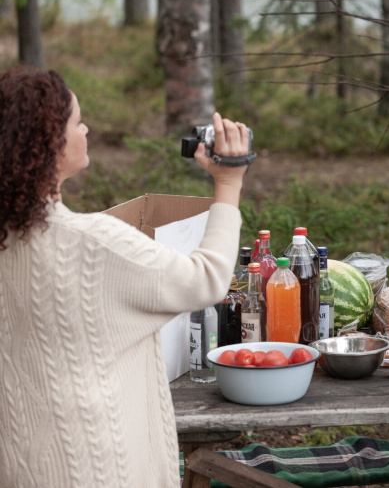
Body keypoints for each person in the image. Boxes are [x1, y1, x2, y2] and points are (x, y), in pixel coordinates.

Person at [0, 66, 251, 486]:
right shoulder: (95, 243)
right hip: (93, 469)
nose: (86, 130)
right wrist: (228, 181)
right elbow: (206, 279)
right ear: (48, 143)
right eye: (77, 122)